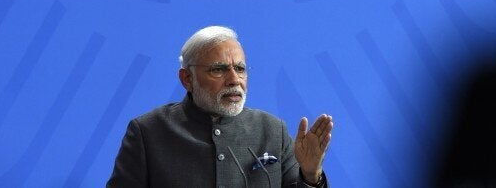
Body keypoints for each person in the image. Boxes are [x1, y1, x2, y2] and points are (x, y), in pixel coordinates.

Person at [107, 26, 333, 187]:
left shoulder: (273, 130)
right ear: (187, 79)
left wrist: (312, 175)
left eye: (240, 69)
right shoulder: (148, 132)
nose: (234, 80)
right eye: (219, 69)